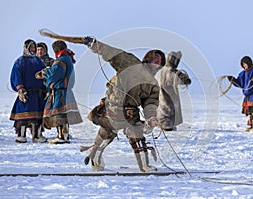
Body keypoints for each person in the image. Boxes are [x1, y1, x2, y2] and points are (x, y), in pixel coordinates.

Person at [79, 36, 166, 172]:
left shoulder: (153, 84)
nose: (157, 62)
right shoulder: (131, 63)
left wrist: (151, 117)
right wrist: (97, 46)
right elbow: (115, 55)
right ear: (148, 59)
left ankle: (144, 165)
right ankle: (96, 157)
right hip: (113, 104)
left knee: (134, 132)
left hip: (130, 110)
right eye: (155, 58)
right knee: (109, 131)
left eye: (160, 61)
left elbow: (150, 102)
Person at [42, 40, 82, 144]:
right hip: (66, 91)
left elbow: (55, 75)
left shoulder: (61, 60)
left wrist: (46, 72)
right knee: (64, 114)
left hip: (60, 92)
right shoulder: (68, 58)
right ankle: (65, 135)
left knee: (59, 115)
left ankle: (62, 137)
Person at [10, 39, 47, 143]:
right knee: (23, 115)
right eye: (31, 47)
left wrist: (46, 86)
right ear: (26, 48)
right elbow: (16, 76)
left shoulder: (39, 61)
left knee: (38, 117)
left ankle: (37, 135)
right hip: (26, 93)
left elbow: (45, 74)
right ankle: (21, 135)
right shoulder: (20, 61)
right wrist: (20, 89)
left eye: (34, 47)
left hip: (38, 93)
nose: (33, 49)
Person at [228, 56, 253, 132]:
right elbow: (240, 84)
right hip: (248, 95)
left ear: (249, 63)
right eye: (243, 65)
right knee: (250, 111)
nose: (244, 66)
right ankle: (252, 126)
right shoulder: (242, 73)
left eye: (245, 64)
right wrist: (233, 80)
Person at [156, 51, 191, 131]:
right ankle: (167, 126)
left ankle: (163, 124)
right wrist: (186, 80)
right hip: (170, 97)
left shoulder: (160, 70)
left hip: (160, 96)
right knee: (169, 111)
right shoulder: (172, 72)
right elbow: (183, 80)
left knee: (162, 110)